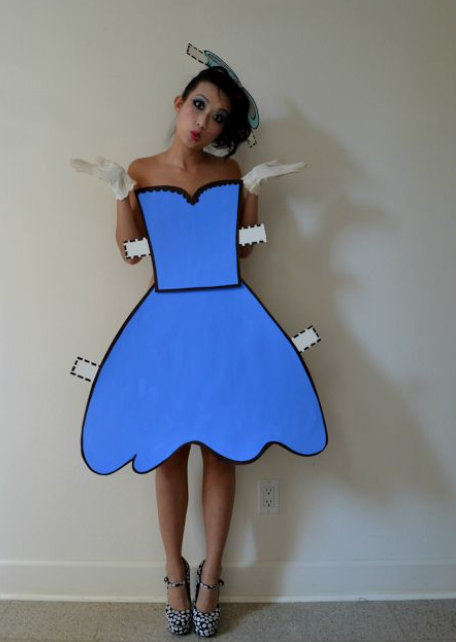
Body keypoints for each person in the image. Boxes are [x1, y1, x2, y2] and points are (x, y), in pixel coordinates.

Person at [71, 64, 327, 637]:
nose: (203, 122)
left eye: (218, 118)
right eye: (199, 105)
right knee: (166, 451)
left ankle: (212, 575)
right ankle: (173, 572)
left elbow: (245, 251)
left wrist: (252, 191)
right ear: (178, 101)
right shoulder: (142, 170)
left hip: (225, 319)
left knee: (221, 448)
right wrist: (121, 193)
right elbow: (131, 253)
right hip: (166, 324)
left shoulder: (228, 170)